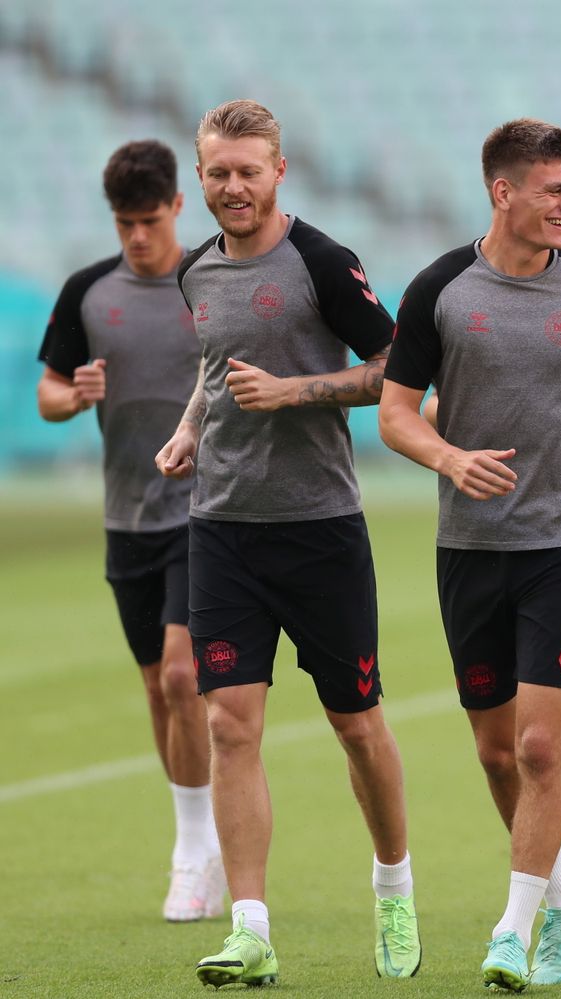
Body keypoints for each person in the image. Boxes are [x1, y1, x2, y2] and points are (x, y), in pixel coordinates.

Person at [378, 118, 561, 991]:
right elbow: (397, 411)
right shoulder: (439, 288)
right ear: (503, 192)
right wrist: (448, 457)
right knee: (496, 753)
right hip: (469, 546)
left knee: (545, 745)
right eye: (555, 190)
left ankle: (517, 926)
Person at [155, 99, 421, 986]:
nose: (234, 186)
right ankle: (250, 928)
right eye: (218, 172)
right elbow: (215, 361)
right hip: (223, 530)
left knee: (357, 725)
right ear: (200, 178)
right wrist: (194, 425)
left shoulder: (322, 261)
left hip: (319, 532)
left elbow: (396, 368)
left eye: (249, 170)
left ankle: (392, 888)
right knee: (230, 725)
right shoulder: (194, 272)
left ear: (279, 171)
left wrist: (295, 391)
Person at [36, 139, 223, 923]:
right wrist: (73, 395)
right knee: (156, 684)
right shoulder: (88, 290)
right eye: (124, 224)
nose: (137, 237)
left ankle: (193, 851)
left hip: (204, 510)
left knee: (183, 676)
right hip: (127, 518)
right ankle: (199, 840)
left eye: (148, 220)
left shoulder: (211, 280)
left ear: (178, 207)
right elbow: (47, 392)